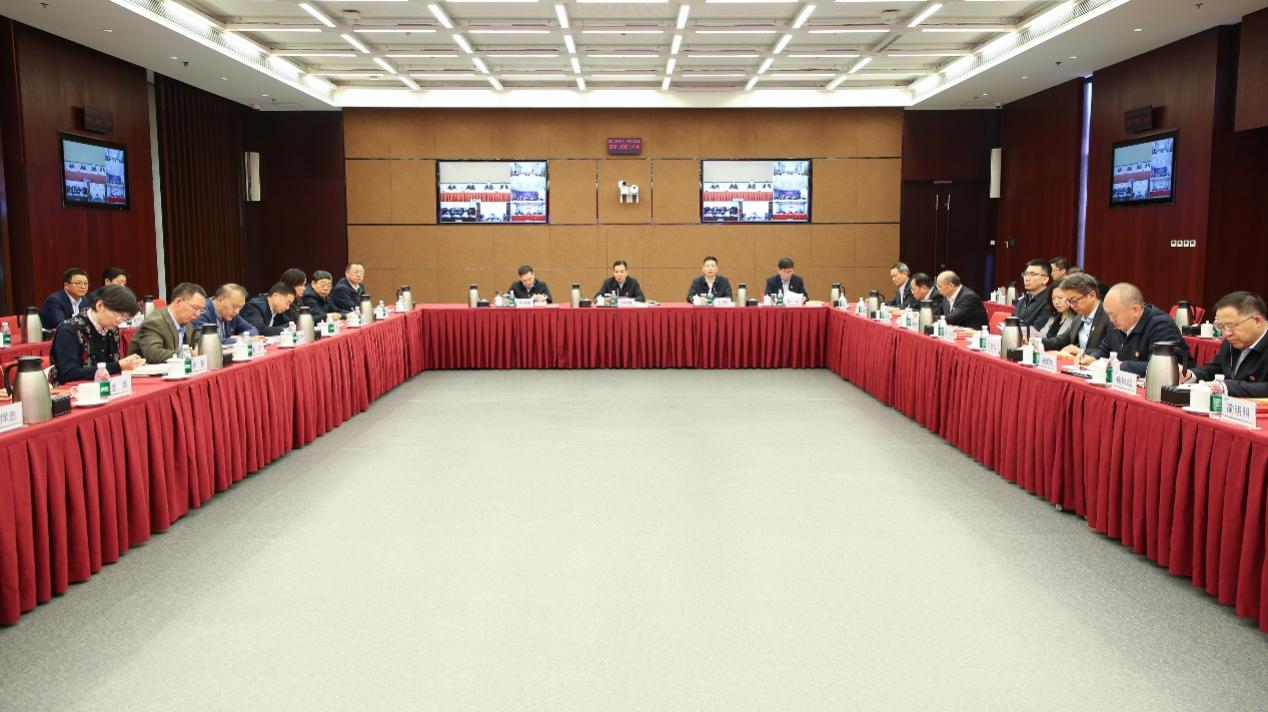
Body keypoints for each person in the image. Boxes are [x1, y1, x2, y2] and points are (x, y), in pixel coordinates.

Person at [1081, 282, 1191, 375]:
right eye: (1108, 315)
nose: (1110, 320)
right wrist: (1092, 358)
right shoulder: (1116, 323)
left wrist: (1119, 365)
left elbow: (1159, 367)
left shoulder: (1161, 325)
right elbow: (1104, 349)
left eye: (1113, 315)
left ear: (1135, 310)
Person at [50, 284, 146, 384]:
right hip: (72, 390)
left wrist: (124, 364)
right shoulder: (68, 330)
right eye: (119, 316)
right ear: (99, 305)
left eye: (125, 319)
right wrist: (118, 366)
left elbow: (111, 366)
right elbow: (70, 374)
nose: (120, 321)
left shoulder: (112, 329)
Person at [1180, 291, 1268, 397]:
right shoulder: (1231, 342)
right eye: (1220, 327)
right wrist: (1189, 375)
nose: (1226, 334)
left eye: (1230, 326)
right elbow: (1215, 369)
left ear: (1257, 321)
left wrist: (1226, 387)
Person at [128, 282, 207, 364]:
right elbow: (153, 354)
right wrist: (187, 354)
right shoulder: (154, 322)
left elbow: (195, 348)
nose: (198, 314)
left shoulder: (188, 324)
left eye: (201, 310)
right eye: (195, 308)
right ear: (178, 302)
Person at [1046, 273, 1111, 354]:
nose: (1072, 306)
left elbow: (1111, 351)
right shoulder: (1078, 318)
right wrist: (1036, 341)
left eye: (1074, 301)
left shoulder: (1109, 316)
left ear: (1092, 295)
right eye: (1069, 301)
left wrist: (1081, 351)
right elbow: (1061, 341)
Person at [193, 284, 259, 342]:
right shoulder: (201, 312)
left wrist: (241, 337)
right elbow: (206, 341)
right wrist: (239, 340)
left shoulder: (232, 315)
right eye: (234, 306)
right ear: (220, 300)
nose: (237, 312)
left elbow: (253, 330)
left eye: (240, 307)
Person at [1013, 259, 1053, 329]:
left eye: (1032, 274)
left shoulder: (1050, 301)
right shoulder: (1022, 301)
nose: (1026, 279)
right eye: (1025, 274)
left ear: (1045, 280)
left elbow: (1038, 330)